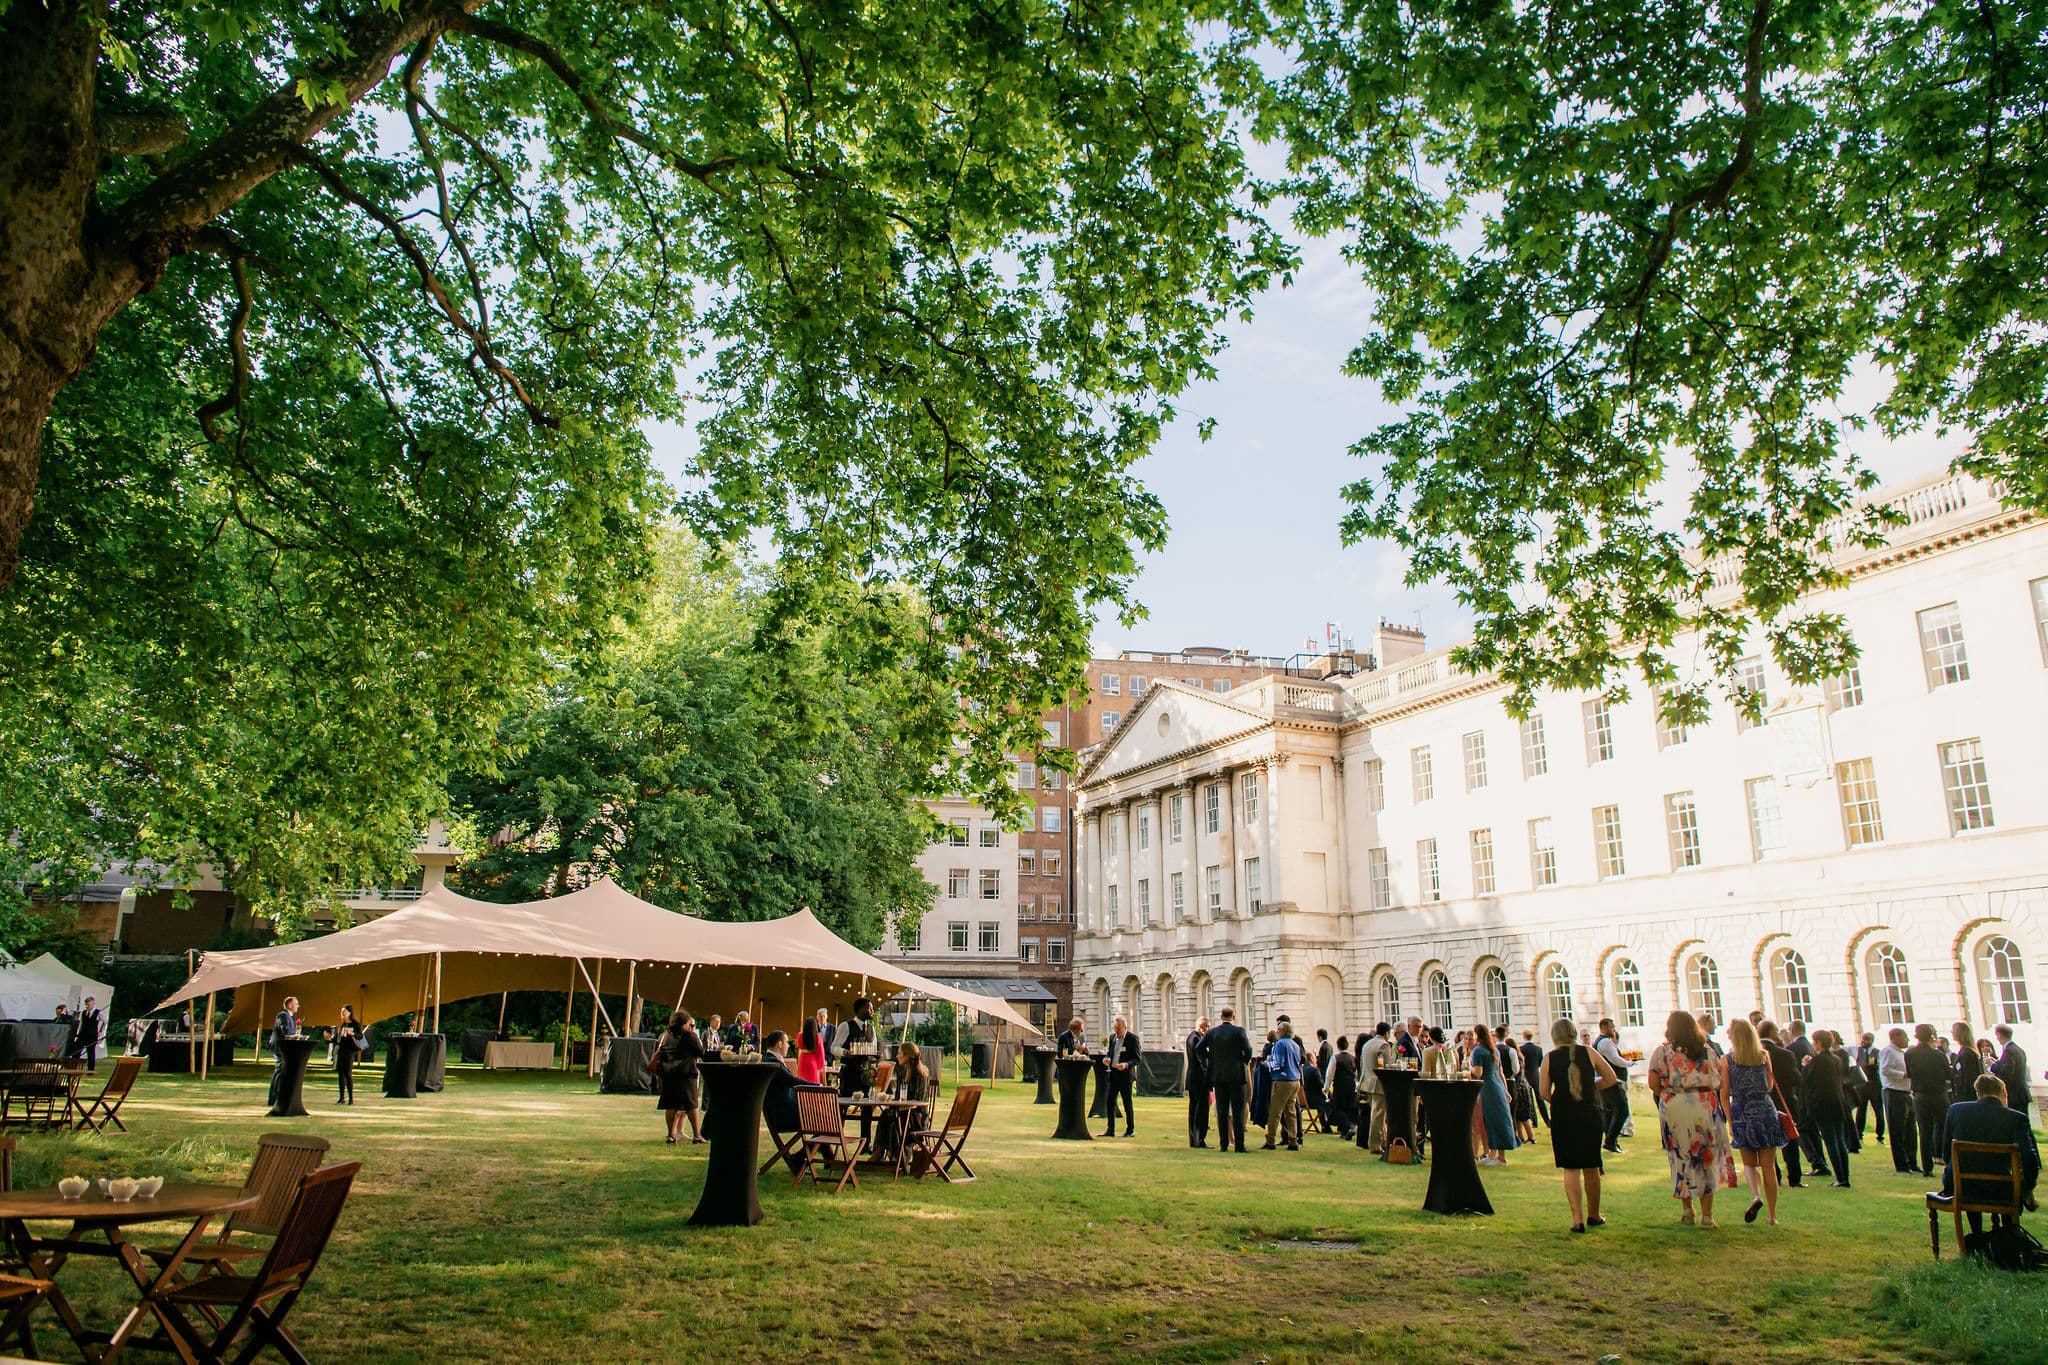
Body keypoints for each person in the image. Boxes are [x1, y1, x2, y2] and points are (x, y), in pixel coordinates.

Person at [1646, 1010, 1733, 1228]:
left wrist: (1671, 1091)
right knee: (1706, 1158)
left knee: (1681, 1157)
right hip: (1703, 1105)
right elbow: (1719, 1081)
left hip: (1675, 1106)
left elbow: (1653, 1083)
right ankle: (1707, 1215)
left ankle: (1687, 1211)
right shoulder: (1706, 1051)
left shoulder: (1662, 1052)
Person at [1929, 1074, 2040, 1233]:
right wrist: (2027, 1186)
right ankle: (2008, 1233)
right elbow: (2029, 1158)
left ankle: (1976, 1233)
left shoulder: (1956, 1110)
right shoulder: (2016, 1118)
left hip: (1962, 1185)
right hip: (2001, 1187)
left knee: (1969, 1172)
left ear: (1978, 1094)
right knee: (2009, 1187)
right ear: (2003, 1092)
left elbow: (1946, 1154)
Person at [1540, 1018, 1618, 1233]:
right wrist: (1592, 1087)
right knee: (1591, 1166)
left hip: (1563, 1116)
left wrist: (1559, 1101)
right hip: (1588, 1113)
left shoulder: (1549, 1058)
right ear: (1573, 1033)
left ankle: (1577, 1219)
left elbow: (1544, 1091)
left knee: (1570, 1167)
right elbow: (1611, 1078)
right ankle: (1594, 1214)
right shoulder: (1589, 1052)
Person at [1724, 1018, 1786, 1225]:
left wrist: (1730, 1121)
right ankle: (1772, 1215)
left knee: (1749, 1164)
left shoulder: (1727, 1061)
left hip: (1742, 1111)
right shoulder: (1763, 1056)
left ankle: (1755, 1195)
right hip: (1765, 1109)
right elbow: (1769, 1085)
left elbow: (1724, 1094)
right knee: (1769, 1166)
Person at [1759, 1021, 1821, 1186]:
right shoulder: (1784, 1054)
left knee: (1767, 1141)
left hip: (1762, 1101)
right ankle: (1794, 1177)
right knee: (1790, 1140)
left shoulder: (1752, 1055)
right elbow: (1795, 1079)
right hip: (1784, 1100)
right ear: (1771, 1033)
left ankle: (1774, 1175)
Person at [1804, 1029, 1853, 1189]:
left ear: (1818, 1042)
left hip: (1824, 1105)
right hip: (1838, 1103)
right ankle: (1844, 1176)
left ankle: (1840, 1177)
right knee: (1839, 1141)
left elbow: (1809, 1082)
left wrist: (1805, 1066)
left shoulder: (1817, 1061)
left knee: (1831, 1142)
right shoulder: (1836, 1059)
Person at [1906, 1022, 1952, 1178]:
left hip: (1920, 1095)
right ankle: (1945, 1158)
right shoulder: (1939, 1055)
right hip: (1938, 1094)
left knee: (1924, 1131)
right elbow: (1948, 1075)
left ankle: (1927, 1167)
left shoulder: (1910, 1054)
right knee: (1943, 1127)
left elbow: (1909, 1073)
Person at [1205, 1008, 1253, 1153]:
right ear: (1234, 1016)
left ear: (1221, 1017)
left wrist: (1212, 1057)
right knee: (1238, 1110)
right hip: (1236, 1075)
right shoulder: (1239, 1031)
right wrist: (1242, 1061)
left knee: (1222, 1110)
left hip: (1219, 1076)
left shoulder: (1212, 1032)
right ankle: (1239, 1145)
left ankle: (1223, 1144)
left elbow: (1200, 1048)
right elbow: (1248, 1050)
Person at [1471, 1023, 1519, 1166]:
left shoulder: (1478, 1050)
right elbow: (1500, 1073)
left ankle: (1500, 1158)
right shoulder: (1494, 1050)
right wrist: (1505, 1091)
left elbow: (1478, 1072)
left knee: (1493, 1121)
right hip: (1497, 1085)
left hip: (1487, 1087)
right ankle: (1493, 1154)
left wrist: (1469, 1067)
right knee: (1496, 1120)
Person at [655, 1011, 705, 1144]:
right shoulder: (689, 1036)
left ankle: (670, 1135)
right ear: (685, 1023)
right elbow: (701, 1051)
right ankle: (696, 1135)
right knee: (691, 1105)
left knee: (671, 1105)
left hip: (668, 1074)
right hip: (686, 1074)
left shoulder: (664, 1035)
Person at [878, 1041, 931, 1162]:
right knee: (886, 1114)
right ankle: (881, 1151)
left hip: (917, 1117)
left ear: (907, 1056)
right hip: (903, 1111)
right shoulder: (902, 1072)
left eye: (900, 1053)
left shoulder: (920, 1074)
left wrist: (900, 1106)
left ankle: (897, 1157)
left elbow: (918, 1102)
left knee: (894, 1120)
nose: (897, 1056)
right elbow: (898, 1098)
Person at [1262, 1022, 1305, 1150]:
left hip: (1282, 1079)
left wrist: (1266, 1064)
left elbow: (1278, 1063)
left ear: (1282, 1031)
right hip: (1295, 1079)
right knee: (1290, 1112)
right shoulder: (1295, 1044)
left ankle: (1270, 1140)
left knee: (1275, 1112)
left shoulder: (1280, 1044)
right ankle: (1293, 1139)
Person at [1880, 1027, 1915, 1172]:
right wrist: (1902, 1074)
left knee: (1910, 1129)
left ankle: (1912, 1161)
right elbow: (1885, 1070)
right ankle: (1902, 1164)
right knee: (1897, 1130)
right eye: (1904, 1037)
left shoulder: (1902, 1053)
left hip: (1906, 1091)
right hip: (1894, 1092)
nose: (1907, 1040)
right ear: (1895, 1037)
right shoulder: (1888, 1051)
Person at [1592, 1018, 1630, 1154]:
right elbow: (1615, 1059)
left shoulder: (1599, 1042)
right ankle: (1610, 1140)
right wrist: (1629, 1063)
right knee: (1622, 1110)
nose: (1613, 1029)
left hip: (1603, 1080)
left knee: (1608, 1112)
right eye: (1611, 1027)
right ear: (1603, 1027)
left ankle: (1610, 1141)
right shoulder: (1605, 1042)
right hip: (1611, 1081)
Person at [1102, 1015, 1140, 1138]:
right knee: (1110, 1101)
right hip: (1113, 1074)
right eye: (1115, 1028)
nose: (1116, 1031)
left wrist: (1126, 1064)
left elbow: (1137, 1058)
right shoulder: (1112, 1038)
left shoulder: (1132, 1038)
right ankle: (1110, 1129)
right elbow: (1110, 1053)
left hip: (1125, 1076)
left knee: (1127, 1103)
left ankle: (1130, 1129)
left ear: (1124, 1027)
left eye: (1118, 1029)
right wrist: (1107, 1058)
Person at [833, 997, 878, 1098]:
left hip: (866, 1074)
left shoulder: (871, 1029)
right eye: (869, 1008)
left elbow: (873, 1051)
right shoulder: (846, 1026)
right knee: (845, 1101)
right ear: (860, 1009)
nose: (872, 1011)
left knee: (868, 1103)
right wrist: (845, 1052)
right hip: (849, 1073)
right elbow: (834, 1047)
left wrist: (875, 1055)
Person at [761, 1030, 804, 1138]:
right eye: (787, 1042)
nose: (788, 1046)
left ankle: (811, 1148)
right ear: (779, 1044)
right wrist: (819, 1086)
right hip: (785, 1117)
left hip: (786, 1112)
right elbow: (792, 1081)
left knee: (825, 1118)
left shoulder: (767, 1059)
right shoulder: (773, 1063)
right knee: (826, 1119)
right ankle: (809, 1149)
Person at [1358, 1022, 1391, 1152]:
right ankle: (1375, 1144)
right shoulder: (1384, 1045)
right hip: (1378, 1084)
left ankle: (1382, 1141)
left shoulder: (1367, 1044)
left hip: (1367, 1082)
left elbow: (1362, 1064)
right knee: (1379, 1116)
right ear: (1386, 1033)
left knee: (1376, 1114)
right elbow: (1387, 1066)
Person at [323, 1005, 366, 1106]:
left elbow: (360, 1036)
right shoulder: (341, 1024)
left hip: (349, 1051)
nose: (342, 1014)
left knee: (348, 1074)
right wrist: (329, 1039)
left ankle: (351, 1098)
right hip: (341, 1051)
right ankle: (341, 1098)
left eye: (344, 1012)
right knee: (340, 1075)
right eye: (341, 1012)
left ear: (350, 1013)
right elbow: (338, 1040)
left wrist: (352, 1034)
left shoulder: (355, 1024)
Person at [267, 996, 301, 1109]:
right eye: (296, 1004)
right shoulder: (283, 1015)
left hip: (285, 1047)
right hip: (280, 1047)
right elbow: (284, 1030)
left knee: (281, 1071)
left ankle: (279, 1096)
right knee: (279, 1071)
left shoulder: (290, 1017)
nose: (298, 1006)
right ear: (290, 1005)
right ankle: (273, 1098)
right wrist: (294, 1035)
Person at [1851, 1031, 1883, 1146]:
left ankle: (1880, 1136)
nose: (1864, 1042)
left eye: (1867, 1039)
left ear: (1871, 1041)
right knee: (1861, 1110)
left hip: (1874, 1084)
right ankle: (1859, 1134)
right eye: (1863, 1039)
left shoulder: (1877, 1052)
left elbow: (1877, 1067)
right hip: (1862, 1085)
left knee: (1878, 1111)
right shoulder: (1858, 1051)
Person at [1992, 1024, 2032, 1114]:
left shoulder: (2009, 1051)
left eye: (1996, 1035)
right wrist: (1998, 1063)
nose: (1997, 1038)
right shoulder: (2019, 1049)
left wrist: (1992, 1066)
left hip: (2014, 1094)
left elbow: (2006, 1072)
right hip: (2021, 1093)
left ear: (1999, 1035)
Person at [1329, 1036, 1359, 1140]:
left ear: (1338, 1046)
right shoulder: (1352, 1058)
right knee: (1348, 1107)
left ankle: (1347, 1128)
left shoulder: (1335, 1058)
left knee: (1338, 1108)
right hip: (1351, 1084)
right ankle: (1346, 1129)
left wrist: (1326, 1086)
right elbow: (1356, 1073)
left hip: (1339, 1084)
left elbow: (1330, 1074)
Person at [1950, 1021, 1983, 1103]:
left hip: (1967, 1097)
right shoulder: (1964, 1051)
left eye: (1953, 1031)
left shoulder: (1967, 1053)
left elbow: (1969, 1077)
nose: (1951, 1033)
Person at [70, 997, 104, 1071]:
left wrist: (101, 1031)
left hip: (92, 1035)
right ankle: (73, 1066)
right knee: (76, 1051)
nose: (87, 1006)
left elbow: (105, 1021)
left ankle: (90, 1069)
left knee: (91, 1052)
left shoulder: (98, 1013)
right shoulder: (84, 1012)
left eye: (88, 1005)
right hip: (82, 1035)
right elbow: (82, 1023)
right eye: (86, 1005)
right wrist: (78, 1033)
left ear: (93, 1004)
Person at [795, 1016, 828, 1085]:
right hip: (813, 1061)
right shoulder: (818, 1037)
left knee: (801, 1083)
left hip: (802, 1060)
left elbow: (799, 1046)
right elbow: (821, 1053)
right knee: (813, 1085)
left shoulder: (800, 1035)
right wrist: (820, 1065)